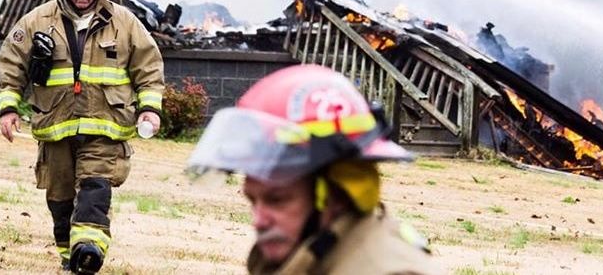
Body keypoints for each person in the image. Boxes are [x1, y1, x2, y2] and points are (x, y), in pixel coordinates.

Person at [0, 0, 165, 274]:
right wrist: (8, 109)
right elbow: (11, 64)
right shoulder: (36, 22)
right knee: (59, 199)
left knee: (94, 189)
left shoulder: (125, 23)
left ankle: (89, 250)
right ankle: (69, 254)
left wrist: (150, 109)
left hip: (106, 128)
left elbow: (149, 68)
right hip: (56, 126)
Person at [187, 65, 438, 274]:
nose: (259, 221)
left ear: (338, 193)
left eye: (277, 200)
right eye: (253, 201)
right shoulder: (316, 252)